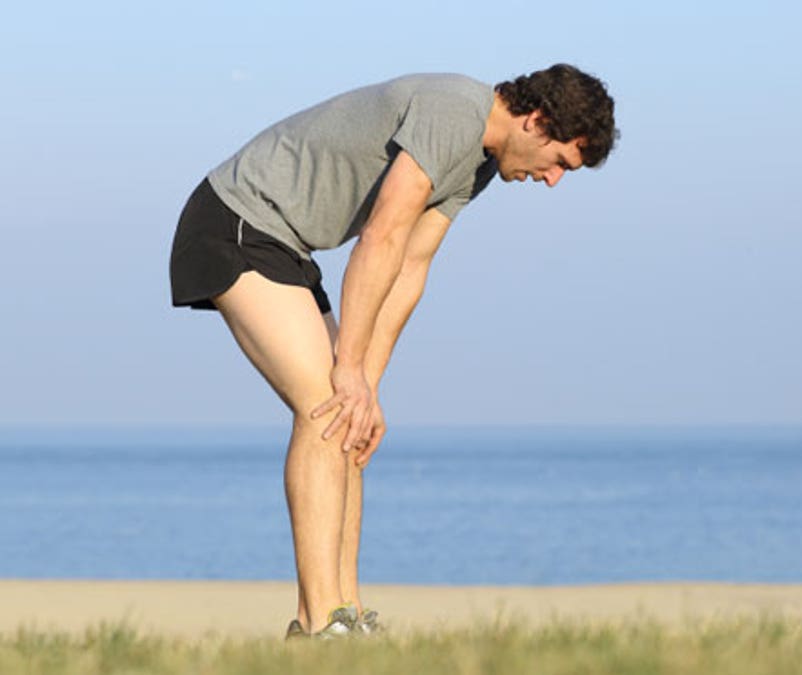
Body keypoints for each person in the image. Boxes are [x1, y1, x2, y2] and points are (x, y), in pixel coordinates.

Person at [169, 64, 617, 638]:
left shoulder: (477, 163)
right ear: (537, 121)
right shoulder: (454, 110)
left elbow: (410, 265)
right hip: (234, 222)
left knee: (349, 420)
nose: (553, 180)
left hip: (286, 248)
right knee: (324, 410)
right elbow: (381, 234)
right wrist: (348, 369)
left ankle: (348, 616)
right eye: (559, 162)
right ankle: (319, 625)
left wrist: (368, 384)